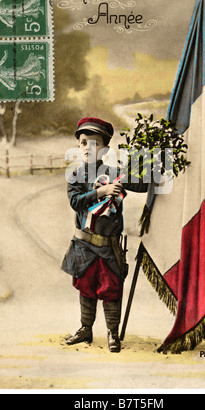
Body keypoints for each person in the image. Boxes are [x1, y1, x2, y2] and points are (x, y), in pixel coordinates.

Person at [62, 117, 148, 353]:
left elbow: (144, 184)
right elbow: (75, 202)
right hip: (84, 244)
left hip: (109, 246)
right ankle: (85, 329)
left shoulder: (116, 172)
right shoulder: (75, 175)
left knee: (111, 288)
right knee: (86, 286)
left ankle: (112, 333)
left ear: (106, 149)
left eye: (95, 143)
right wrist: (102, 191)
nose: (88, 148)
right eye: (83, 143)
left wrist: (145, 159)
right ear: (79, 146)